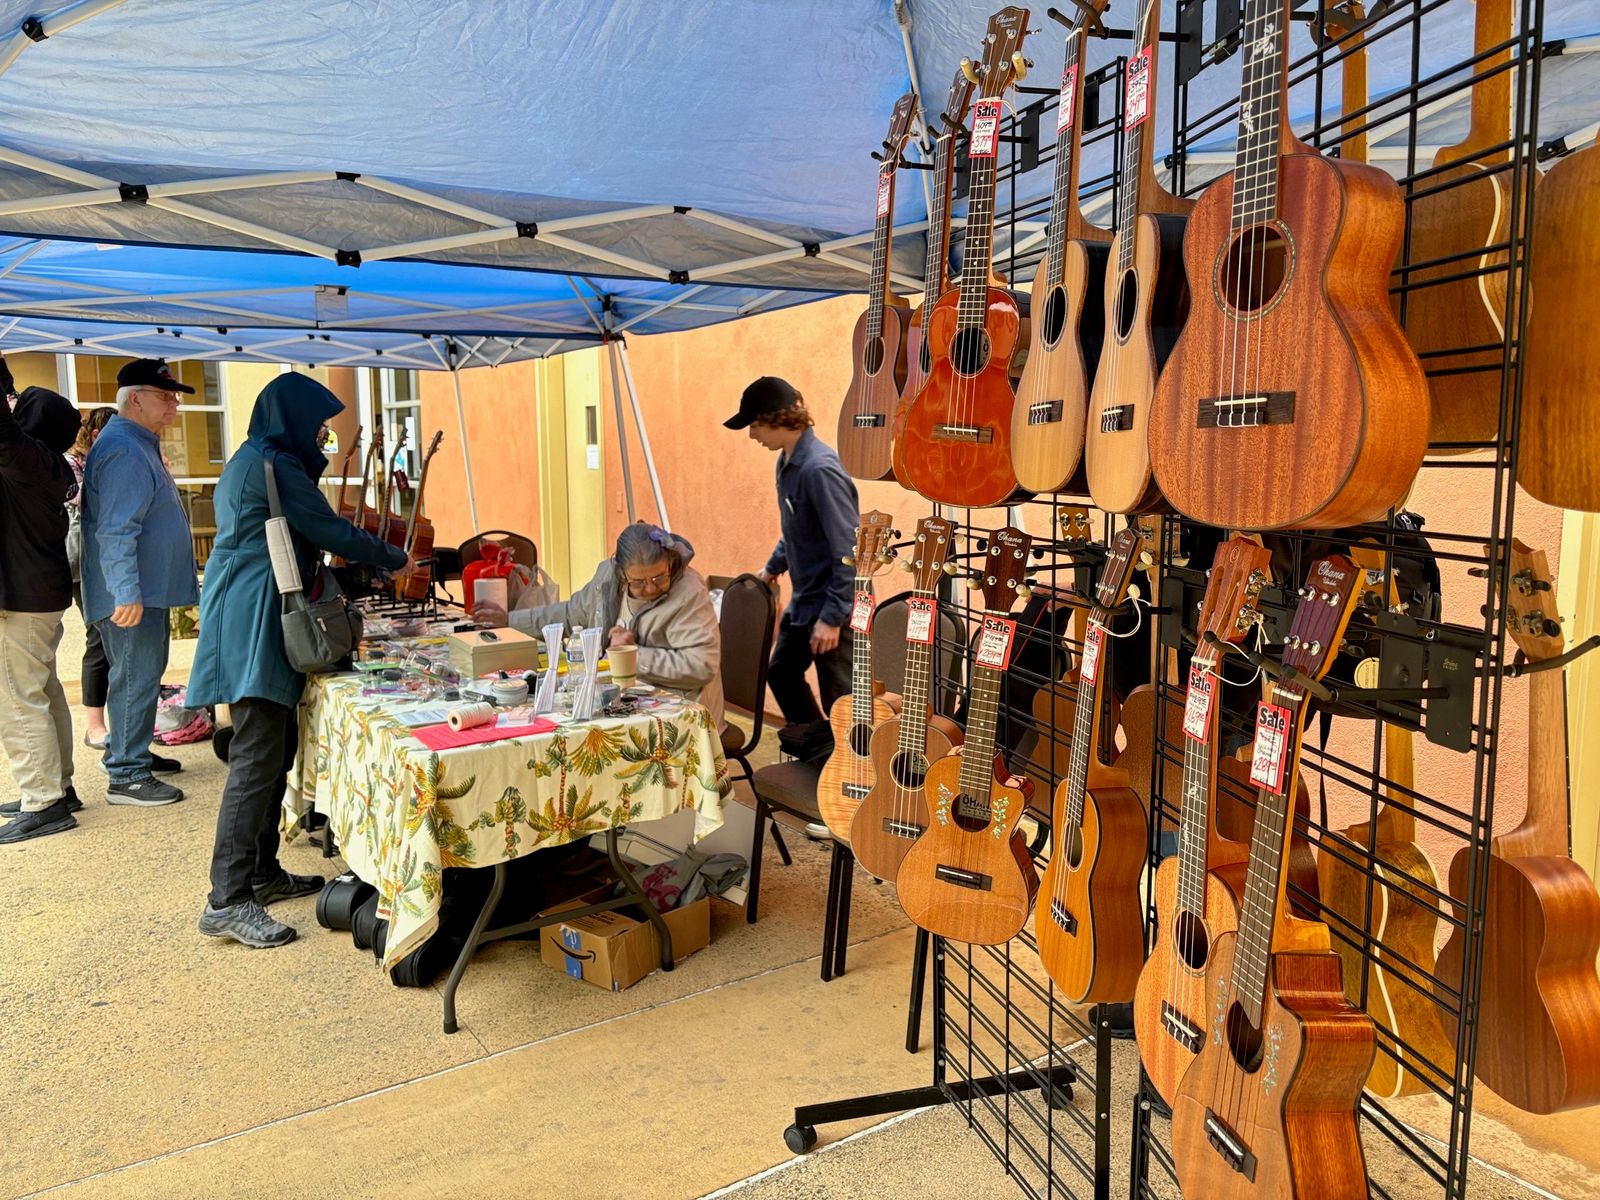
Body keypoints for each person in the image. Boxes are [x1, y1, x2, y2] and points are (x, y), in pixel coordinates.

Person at [187, 375, 411, 949]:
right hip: (256, 617)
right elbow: (328, 528)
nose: (322, 438)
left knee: (274, 751)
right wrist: (396, 556)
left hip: (252, 608)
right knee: (256, 758)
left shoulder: (254, 458)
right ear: (293, 420)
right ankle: (227, 899)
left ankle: (261, 873)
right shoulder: (275, 466)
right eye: (318, 428)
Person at [81, 359, 198, 807]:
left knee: (141, 674)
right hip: (133, 594)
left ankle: (130, 753)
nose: (174, 405)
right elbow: (116, 529)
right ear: (135, 398)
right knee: (136, 676)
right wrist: (125, 591)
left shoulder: (135, 442)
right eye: (165, 396)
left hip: (144, 589)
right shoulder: (126, 449)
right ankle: (127, 774)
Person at [480, 521, 723, 728]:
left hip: (683, 715)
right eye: (638, 582)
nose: (650, 588)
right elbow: (569, 614)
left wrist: (630, 655)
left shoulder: (689, 592)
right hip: (620, 704)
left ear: (670, 562)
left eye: (659, 577)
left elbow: (701, 665)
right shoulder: (607, 579)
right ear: (621, 571)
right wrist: (509, 621)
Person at [724, 377, 859, 725]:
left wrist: (832, 618)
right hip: (806, 599)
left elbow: (849, 550)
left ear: (776, 419)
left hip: (835, 603)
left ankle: (841, 756)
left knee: (841, 703)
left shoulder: (819, 469)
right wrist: (772, 568)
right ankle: (817, 747)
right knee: (781, 673)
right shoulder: (786, 462)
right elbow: (796, 528)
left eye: (755, 425)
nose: (752, 435)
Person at [0, 363, 84, 844]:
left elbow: (3, 432)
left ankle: (43, 800)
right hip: (40, 597)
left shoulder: (27, 461)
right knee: (45, 692)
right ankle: (60, 786)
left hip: (22, 600)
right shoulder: (48, 465)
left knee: (18, 699)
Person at [66, 406, 115, 749]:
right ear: (97, 435)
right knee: (98, 638)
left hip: (105, 562)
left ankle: (117, 726)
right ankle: (95, 726)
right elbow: (87, 502)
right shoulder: (71, 463)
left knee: (113, 641)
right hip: (82, 565)